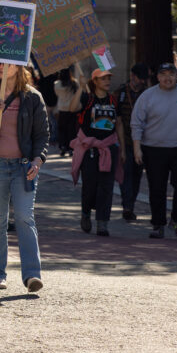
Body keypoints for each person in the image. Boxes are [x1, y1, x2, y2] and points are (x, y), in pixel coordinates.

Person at [0, 62, 48, 292]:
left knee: (26, 218)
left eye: (9, 63)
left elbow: (42, 135)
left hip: (23, 167)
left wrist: (38, 160)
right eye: (0, 62)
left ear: (19, 66)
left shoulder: (32, 97)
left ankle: (32, 275)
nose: (4, 66)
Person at [130, 62, 177, 239]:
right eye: (164, 74)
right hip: (153, 149)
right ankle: (158, 224)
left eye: (171, 74)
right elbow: (136, 123)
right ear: (158, 77)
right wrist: (137, 149)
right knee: (157, 188)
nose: (168, 78)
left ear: (176, 76)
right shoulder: (147, 96)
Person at [71, 69, 124, 237]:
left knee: (106, 187)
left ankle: (103, 223)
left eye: (109, 78)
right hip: (90, 151)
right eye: (103, 79)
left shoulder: (114, 101)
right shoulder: (88, 98)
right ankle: (86, 213)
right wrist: (80, 87)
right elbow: (72, 108)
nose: (107, 81)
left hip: (109, 149)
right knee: (90, 187)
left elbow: (119, 124)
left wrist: (123, 148)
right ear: (95, 81)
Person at [114, 63, 150, 221]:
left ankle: (130, 204)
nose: (141, 81)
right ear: (132, 76)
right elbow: (118, 120)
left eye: (144, 79)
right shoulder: (120, 93)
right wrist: (121, 147)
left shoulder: (148, 94)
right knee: (126, 173)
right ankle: (127, 206)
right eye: (139, 78)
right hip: (126, 140)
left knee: (136, 175)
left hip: (143, 141)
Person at [54, 67, 84, 156]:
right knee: (71, 129)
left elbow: (57, 94)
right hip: (72, 108)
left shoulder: (57, 84)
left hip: (62, 109)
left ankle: (63, 146)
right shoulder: (74, 83)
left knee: (62, 129)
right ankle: (71, 147)